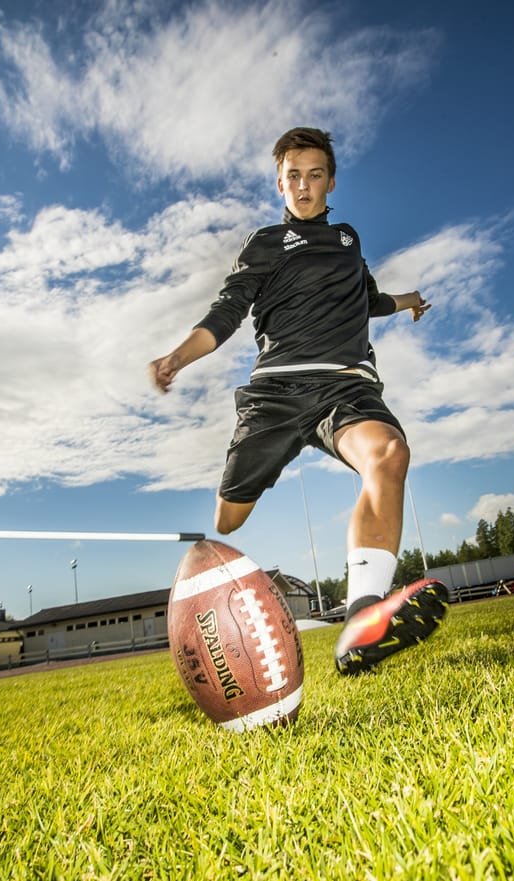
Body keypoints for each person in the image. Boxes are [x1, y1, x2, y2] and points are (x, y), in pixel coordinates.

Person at [149, 127, 448, 674]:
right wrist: (175, 358)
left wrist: (407, 302)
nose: (304, 186)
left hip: (346, 386)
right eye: (293, 177)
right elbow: (226, 313)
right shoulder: (265, 244)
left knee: (389, 454)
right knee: (228, 522)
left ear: (330, 182)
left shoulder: (347, 241)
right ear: (279, 184)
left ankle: (361, 618)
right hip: (277, 393)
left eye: (315, 175)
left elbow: (367, 297)